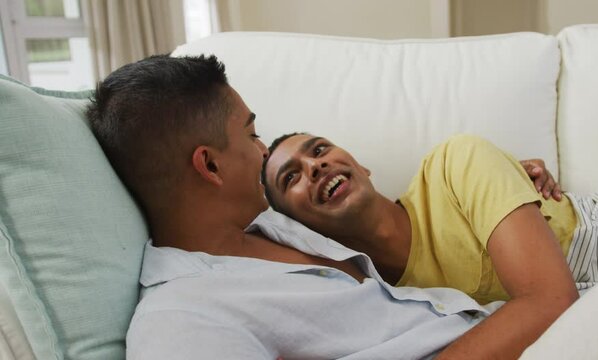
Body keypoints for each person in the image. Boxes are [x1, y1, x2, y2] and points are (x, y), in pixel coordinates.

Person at [87, 54, 559, 360]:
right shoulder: (182, 320)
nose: (261, 152)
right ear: (209, 166)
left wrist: (496, 179)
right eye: (251, 135)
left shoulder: (270, 226)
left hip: (518, 323)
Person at [262, 132, 598, 356]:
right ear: (298, 226)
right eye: (291, 177)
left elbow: (550, 299)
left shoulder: (453, 164)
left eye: (319, 150)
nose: (315, 165)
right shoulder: (379, 300)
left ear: (361, 166)